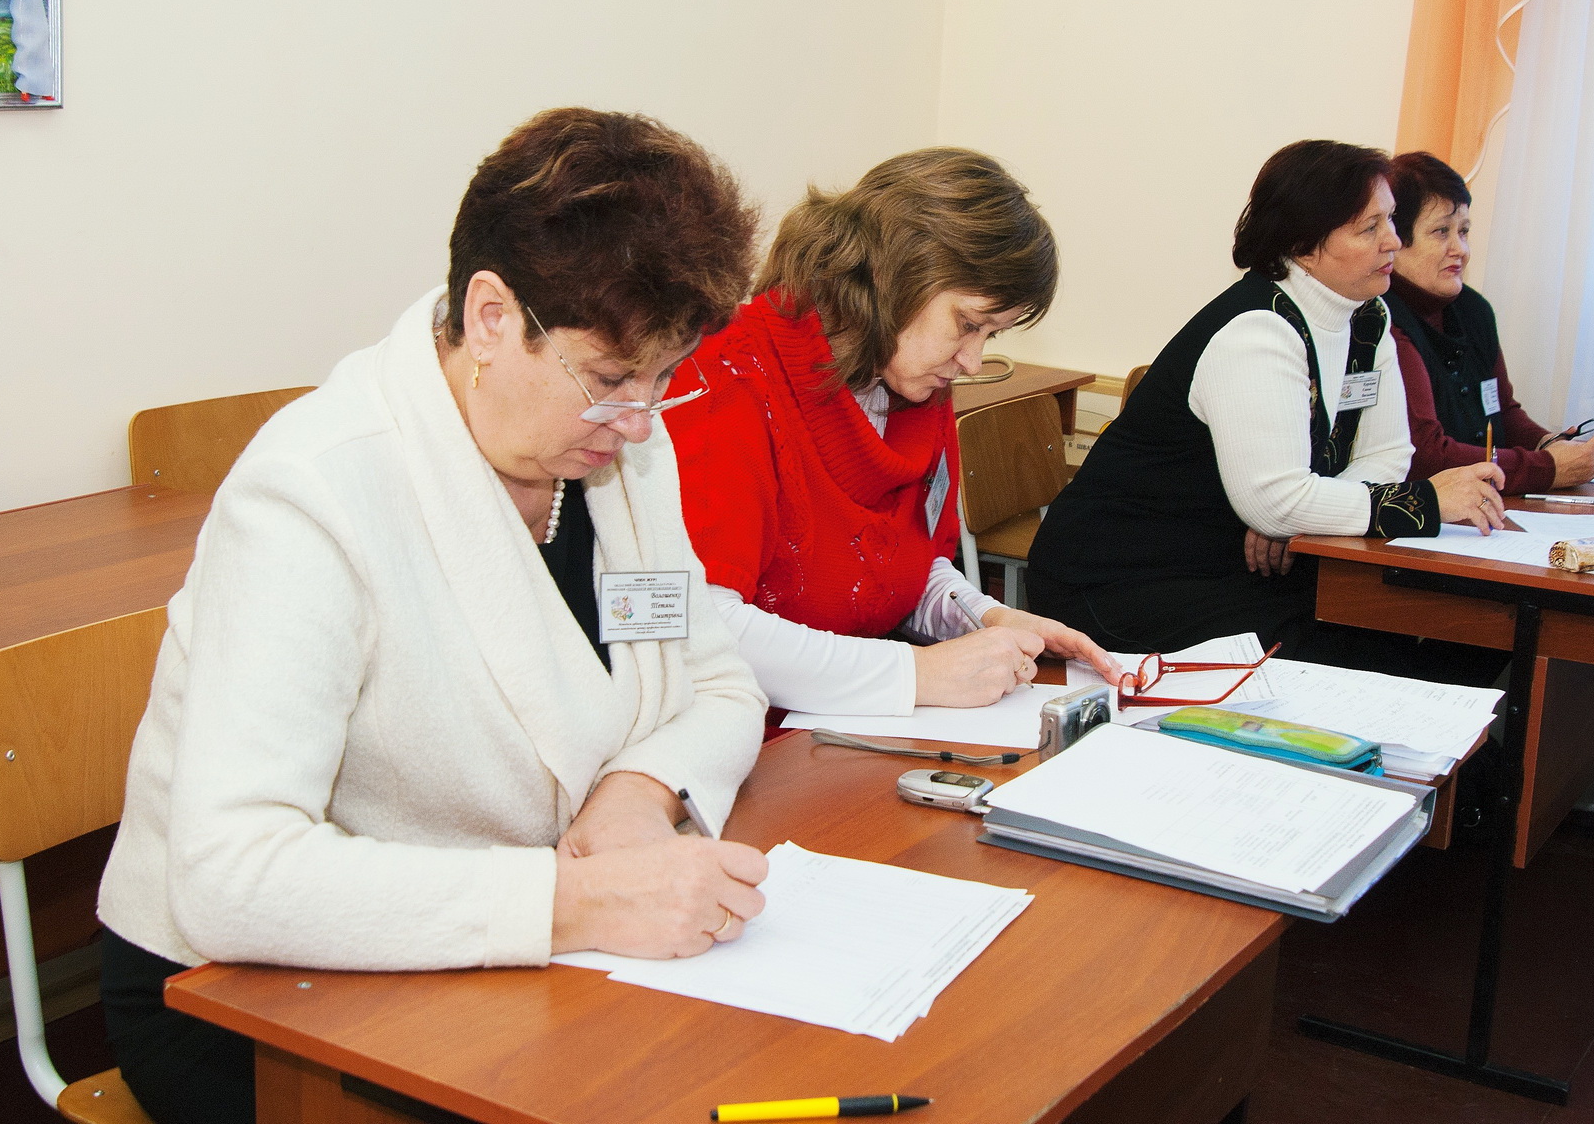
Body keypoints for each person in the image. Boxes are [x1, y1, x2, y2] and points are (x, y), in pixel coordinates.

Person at [95, 109, 771, 1124]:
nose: (641, 420)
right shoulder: (314, 491)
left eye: (664, 378)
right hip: (249, 1003)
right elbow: (231, 874)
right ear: (491, 316)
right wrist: (573, 903)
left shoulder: (617, 456)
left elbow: (715, 679)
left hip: (494, 959)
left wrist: (637, 792)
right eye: (611, 379)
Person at [663, 148, 1124, 718]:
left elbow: (901, 568)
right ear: (896, 274)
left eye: (991, 336)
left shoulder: (915, 385)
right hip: (739, 734)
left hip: (840, 727)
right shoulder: (729, 374)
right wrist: (914, 674)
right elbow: (698, 625)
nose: (972, 362)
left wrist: (985, 617)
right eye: (968, 324)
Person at [1027, 139, 1505, 661]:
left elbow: (1388, 453)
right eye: (1370, 227)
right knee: (1371, 649)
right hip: (1121, 581)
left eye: (1390, 220)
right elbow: (1278, 501)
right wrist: (1424, 503)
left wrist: (1306, 514)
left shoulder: (1369, 316)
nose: (1393, 240)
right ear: (1304, 243)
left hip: (1230, 568)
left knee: (1451, 627)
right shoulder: (1258, 330)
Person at [1387, 151, 1594, 493]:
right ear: (1394, 242)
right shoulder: (1383, 322)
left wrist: (1550, 444)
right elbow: (1426, 456)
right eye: (1441, 232)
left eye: (1464, 231)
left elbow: (1502, 414)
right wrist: (1547, 468)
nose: (1460, 249)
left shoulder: (1473, 309)